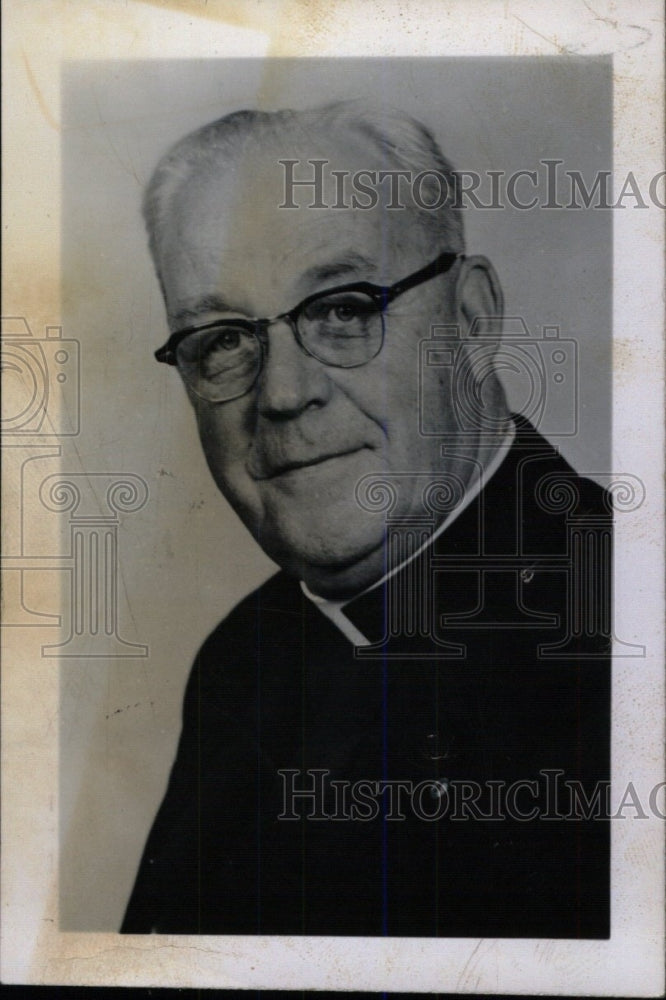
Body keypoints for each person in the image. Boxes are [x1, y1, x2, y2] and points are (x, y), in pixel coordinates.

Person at [121, 101, 610, 937]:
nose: (282, 395)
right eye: (223, 341)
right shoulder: (244, 658)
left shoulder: (630, 632)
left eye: (345, 309)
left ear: (471, 321)